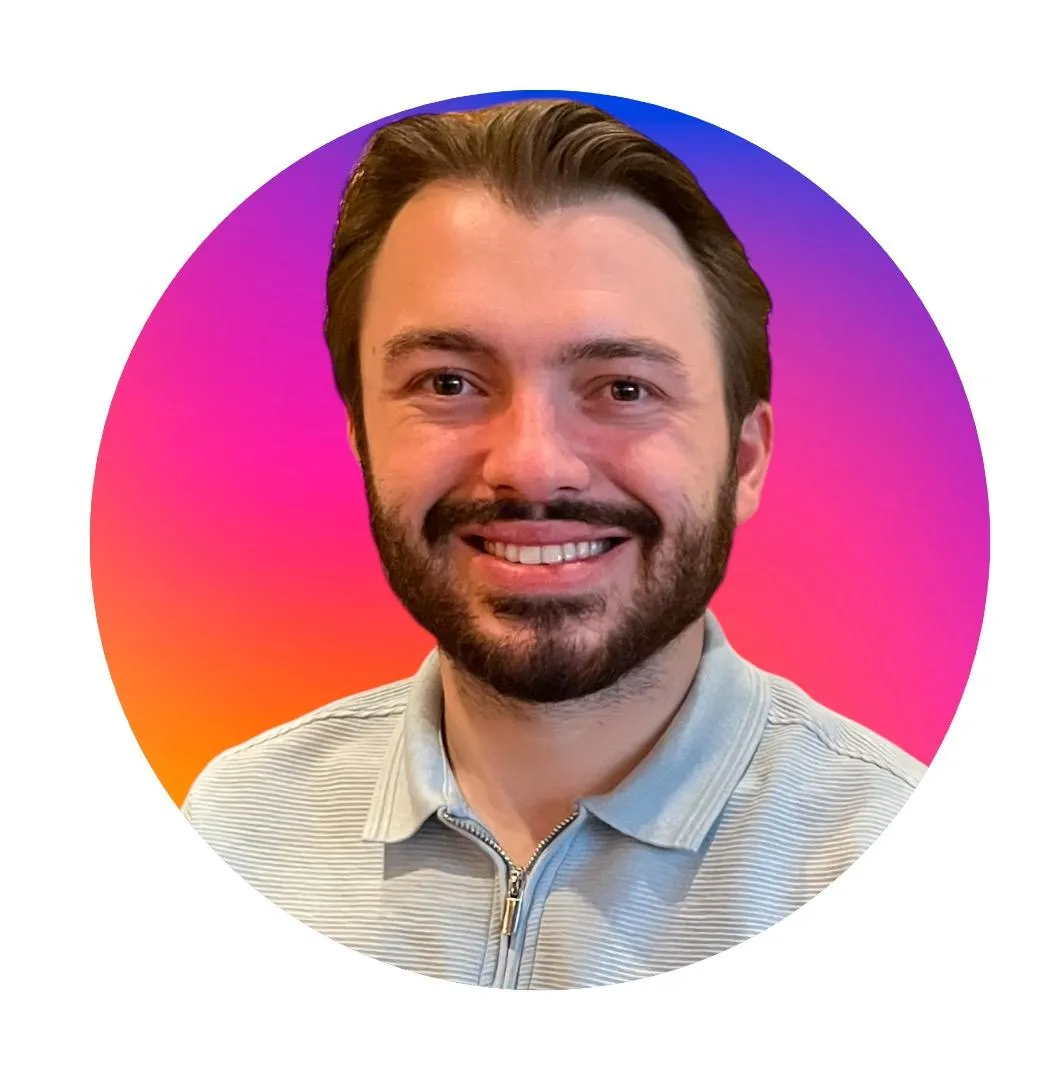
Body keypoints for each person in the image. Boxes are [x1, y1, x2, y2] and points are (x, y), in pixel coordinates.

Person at [183, 99, 925, 989]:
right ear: (362, 440)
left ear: (745, 461)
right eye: (448, 382)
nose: (531, 465)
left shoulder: (901, 861)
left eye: (623, 389)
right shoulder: (233, 830)